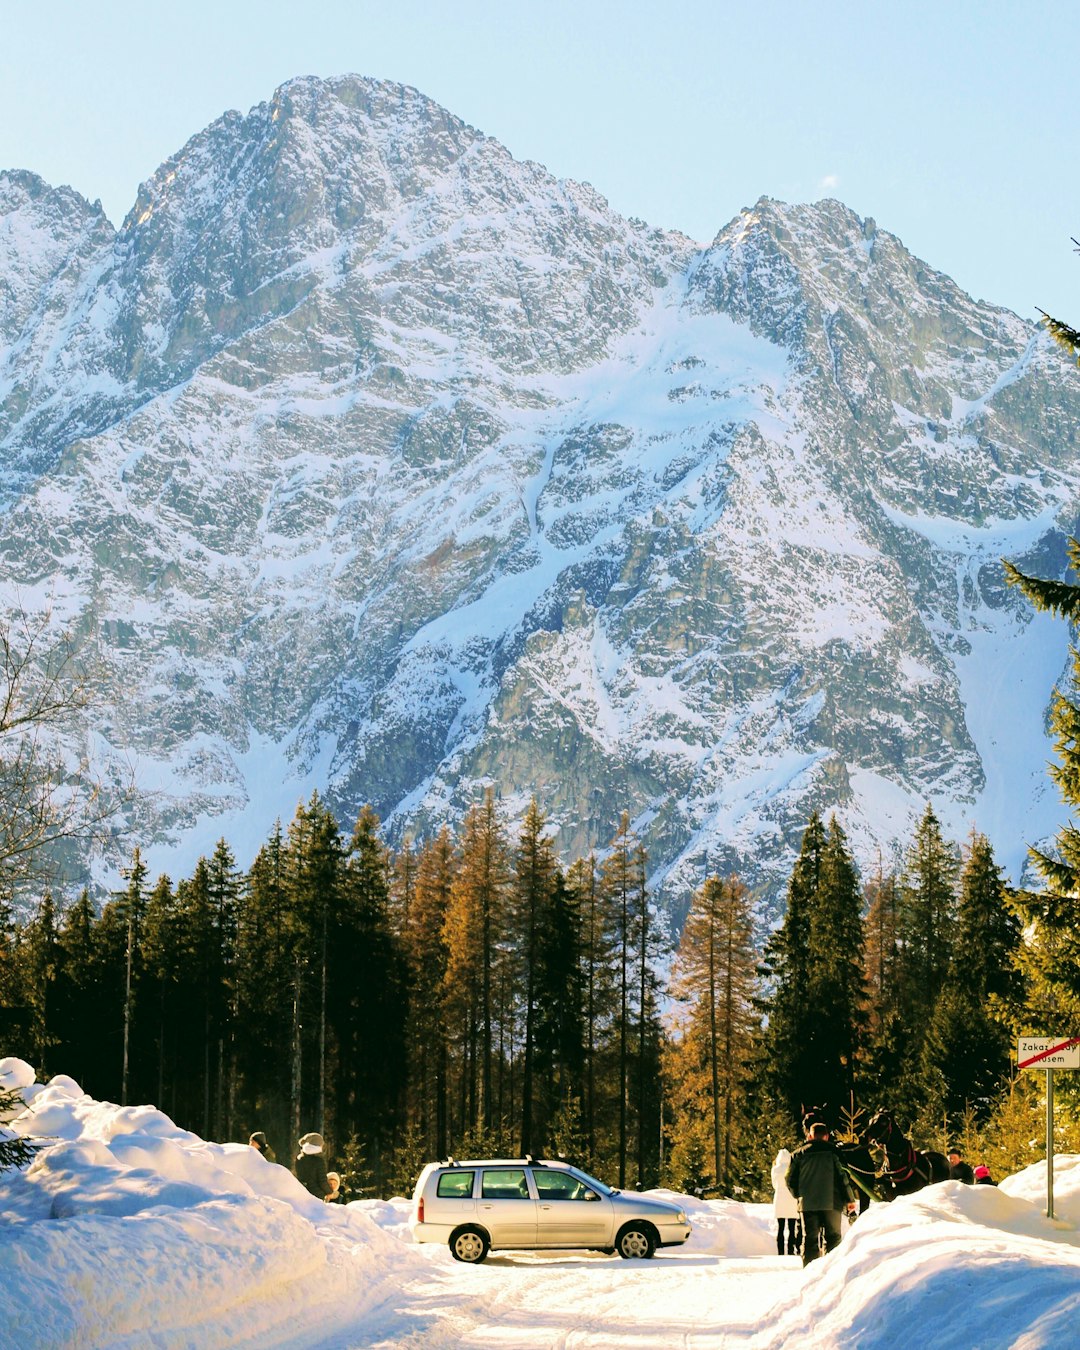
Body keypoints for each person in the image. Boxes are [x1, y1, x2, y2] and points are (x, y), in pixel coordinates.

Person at [786, 1122, 856, 1266]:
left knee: (810, 1240)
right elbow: (844, 1177)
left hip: (807, 1204)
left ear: (810, 1135)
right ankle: (830, 1273)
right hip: (833, 1202)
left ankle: (809, 1274)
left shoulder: (798, 1154)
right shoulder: (835, 1152)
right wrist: (849, 1199)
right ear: (827, 1136)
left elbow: (789, 1179)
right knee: (833, 1239)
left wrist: (799, 1195)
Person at [771, 1148, 802, 1256]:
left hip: (779, 1199)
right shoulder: (792, 1168)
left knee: (780, 1228)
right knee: (792, 1228)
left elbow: (774, 1185)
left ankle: (780, 1251)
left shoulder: (775, 1169)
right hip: (791, 1199)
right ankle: (790, 1250)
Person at [296, 1131, 330, 1199]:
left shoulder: (299, 1158)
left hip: (301, 1193)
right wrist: (330, 1192)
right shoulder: (319, 1161)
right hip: (316, 1195)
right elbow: (322, 1181)